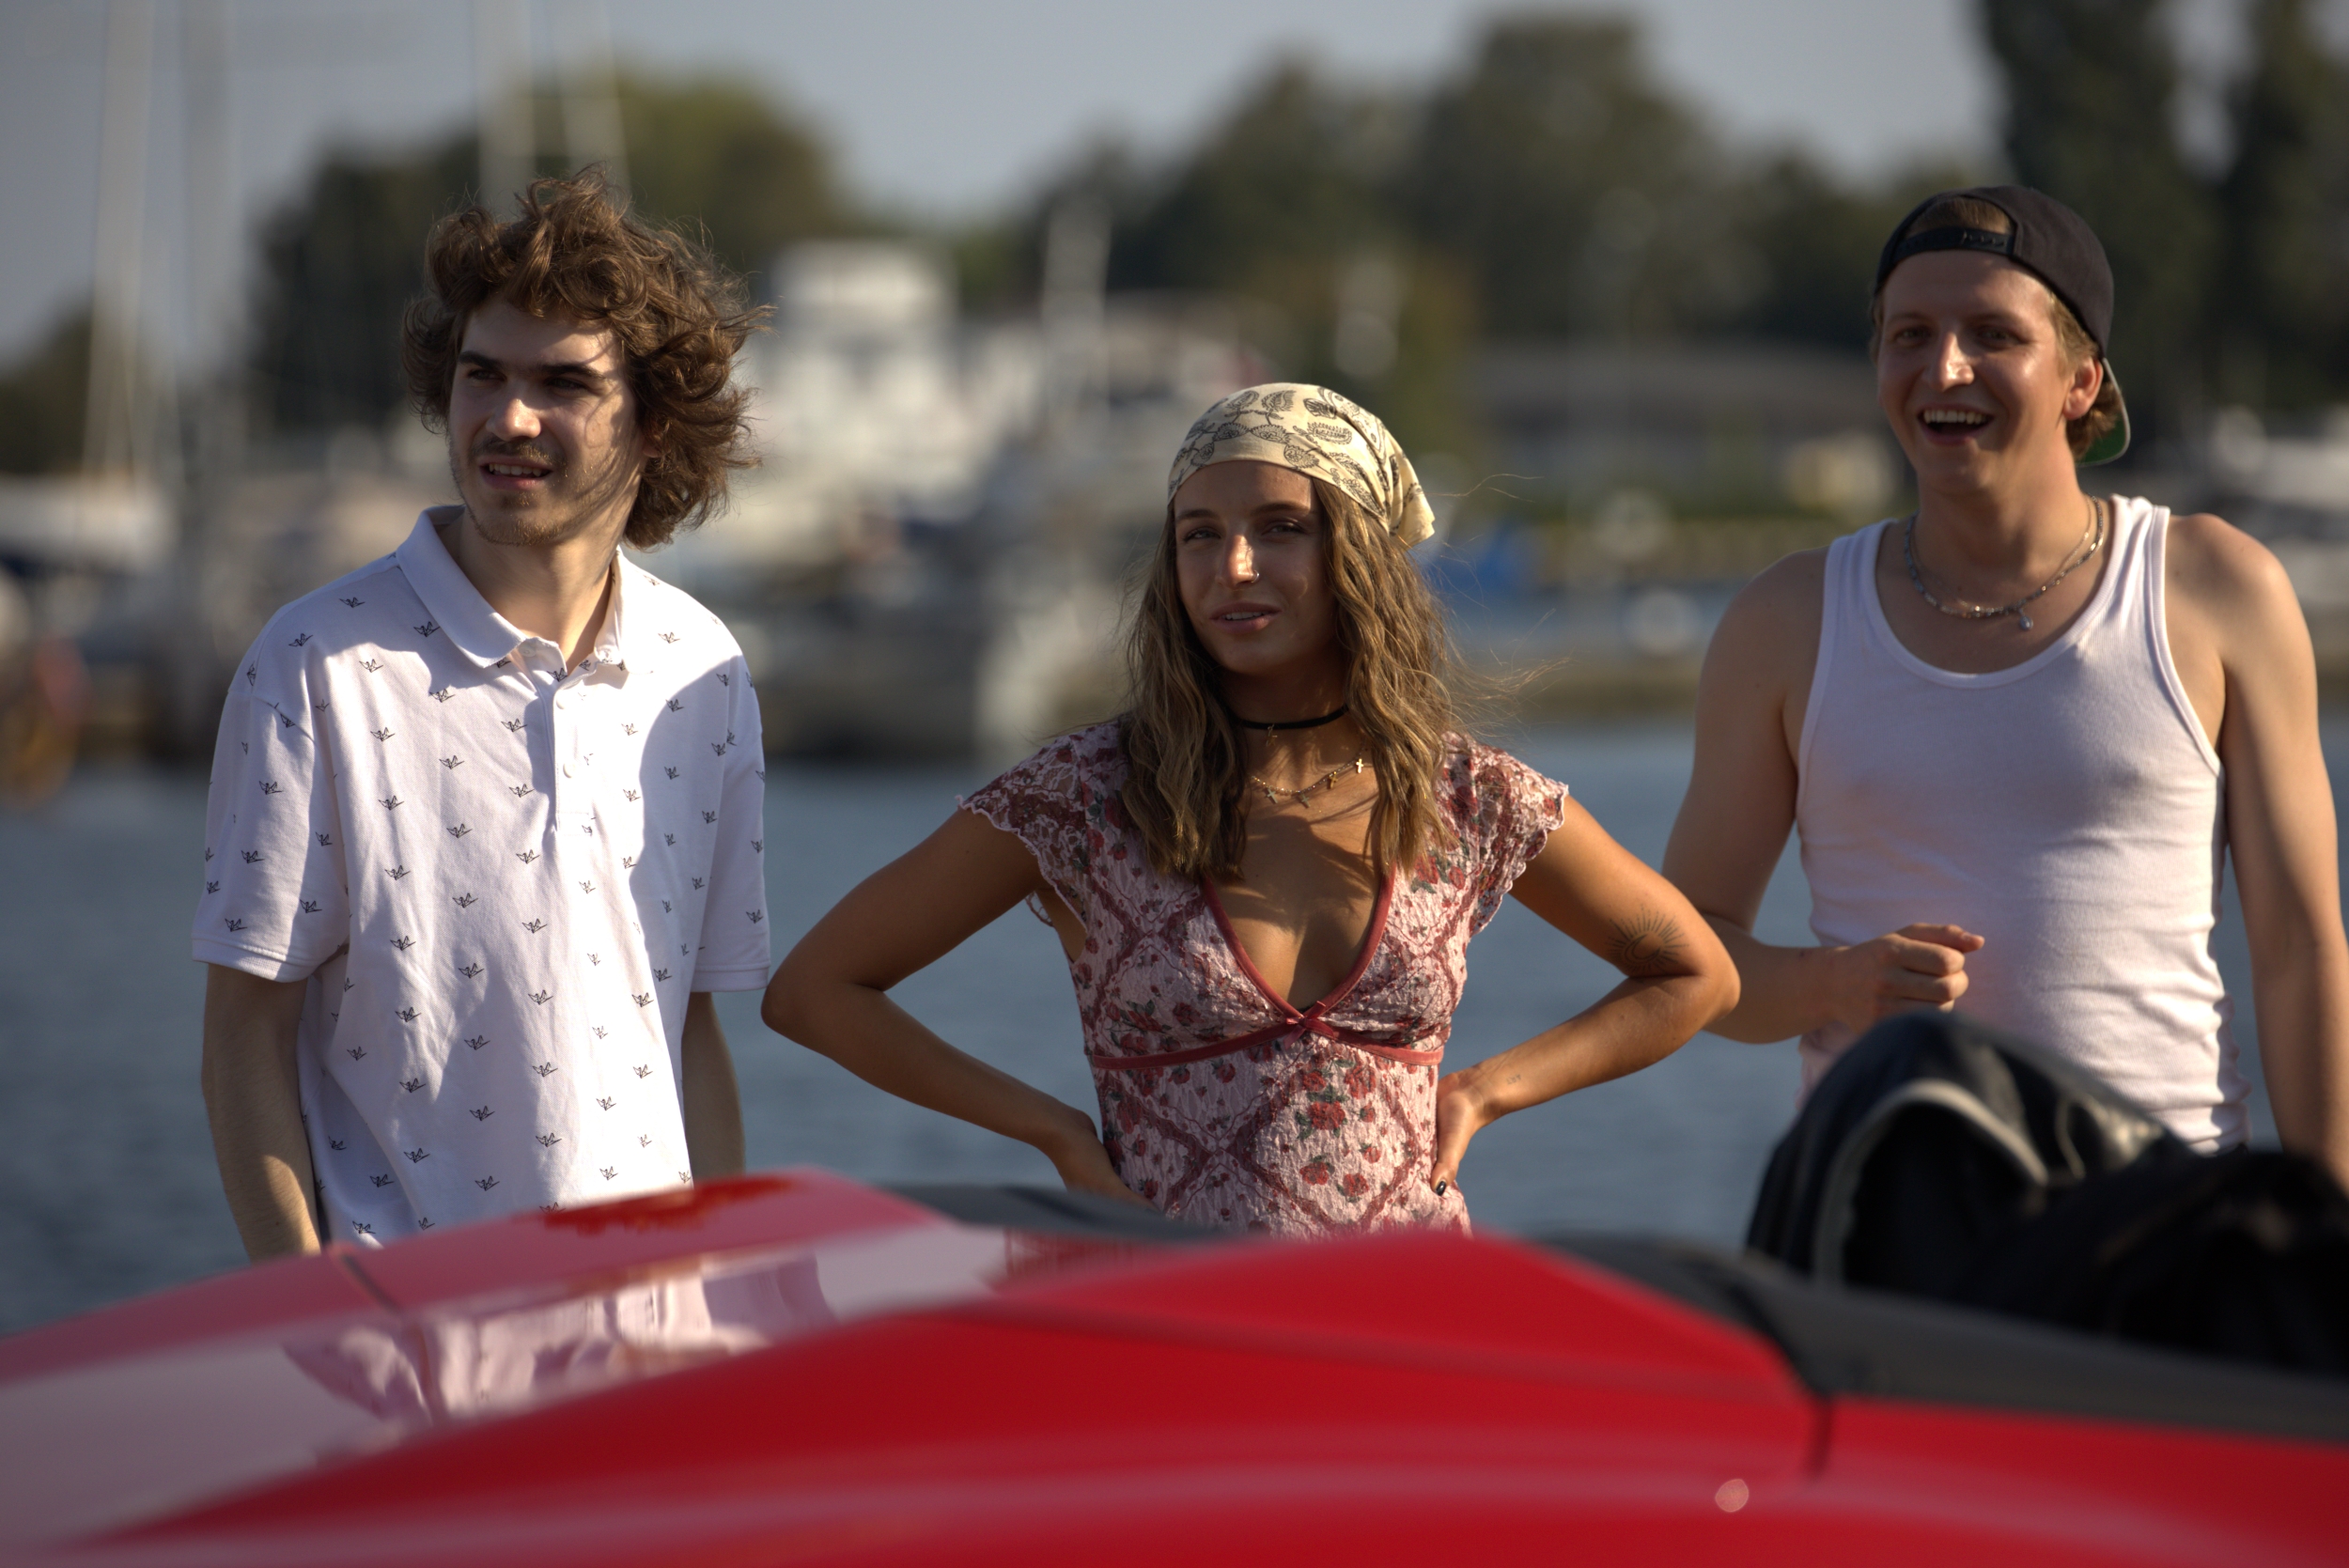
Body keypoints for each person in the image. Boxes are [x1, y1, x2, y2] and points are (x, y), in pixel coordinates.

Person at [764, 383, 1737, 1233]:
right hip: (1170, 1326)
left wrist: (1487, 1090)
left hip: (1411, 1329)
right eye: (1200, 535)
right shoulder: (1086, 795)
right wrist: (1053, 1130)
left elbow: (1696, 974)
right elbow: (815, 990)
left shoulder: (1467, 797)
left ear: (1357, 551)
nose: (1232, 566)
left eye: (1279, 527)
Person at [1663, 185, 2349, 1180]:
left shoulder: (2218, 590)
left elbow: (2296, 952)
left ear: (2081, 379)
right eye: (1910, 334)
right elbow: (1682, 955)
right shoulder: (1785, 620)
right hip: (1887, 1220)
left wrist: (2324, 1233)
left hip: (2163, 1220)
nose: (1945, 367)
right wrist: (1829, 986)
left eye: (1992, 334)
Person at [195, 173, 771, 1258]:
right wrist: (315, 1310)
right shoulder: (317, 664)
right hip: (407, 1332)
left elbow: (685, 1029)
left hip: (657, 1329)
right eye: (482, 374)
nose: (509, 416)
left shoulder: (704, 670)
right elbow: (243, 1033)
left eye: (563, 383)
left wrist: (729, 1291)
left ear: (654, 424)